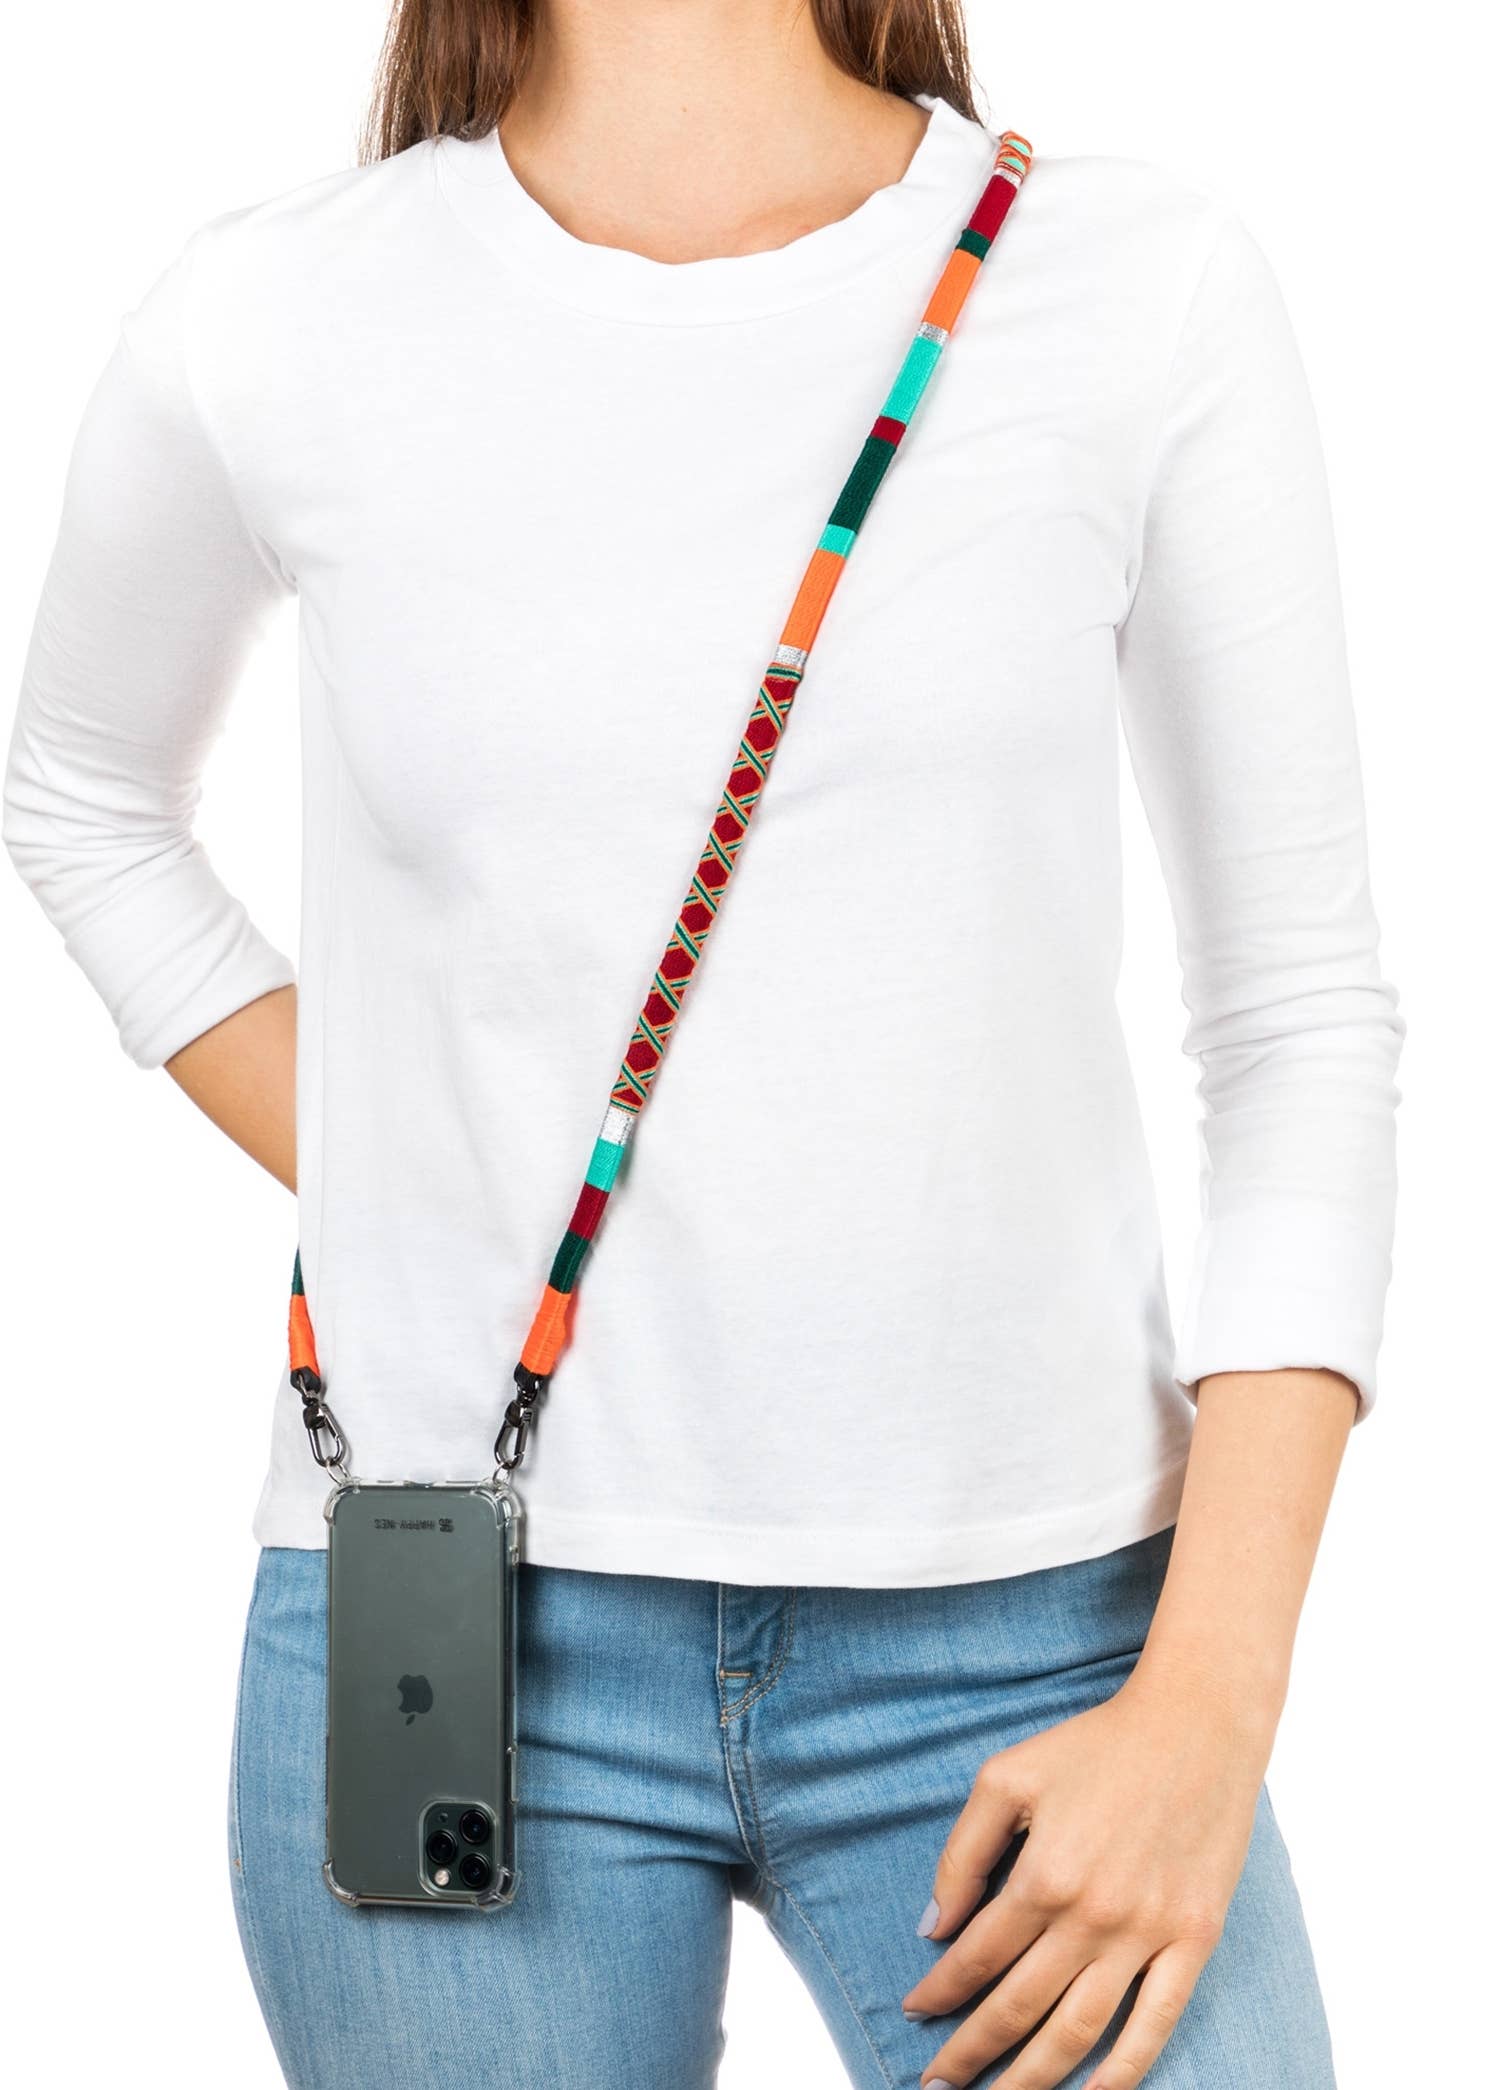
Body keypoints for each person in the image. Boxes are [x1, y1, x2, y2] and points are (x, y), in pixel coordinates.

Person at [3, 2, 1401, 2085]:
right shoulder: (275, 313)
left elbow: (1298, 1021)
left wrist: (1213, 1698)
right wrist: (418, 1177)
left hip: (1044, 1635)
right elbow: (82, 797)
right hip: (463, 1630)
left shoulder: (1132, 281)